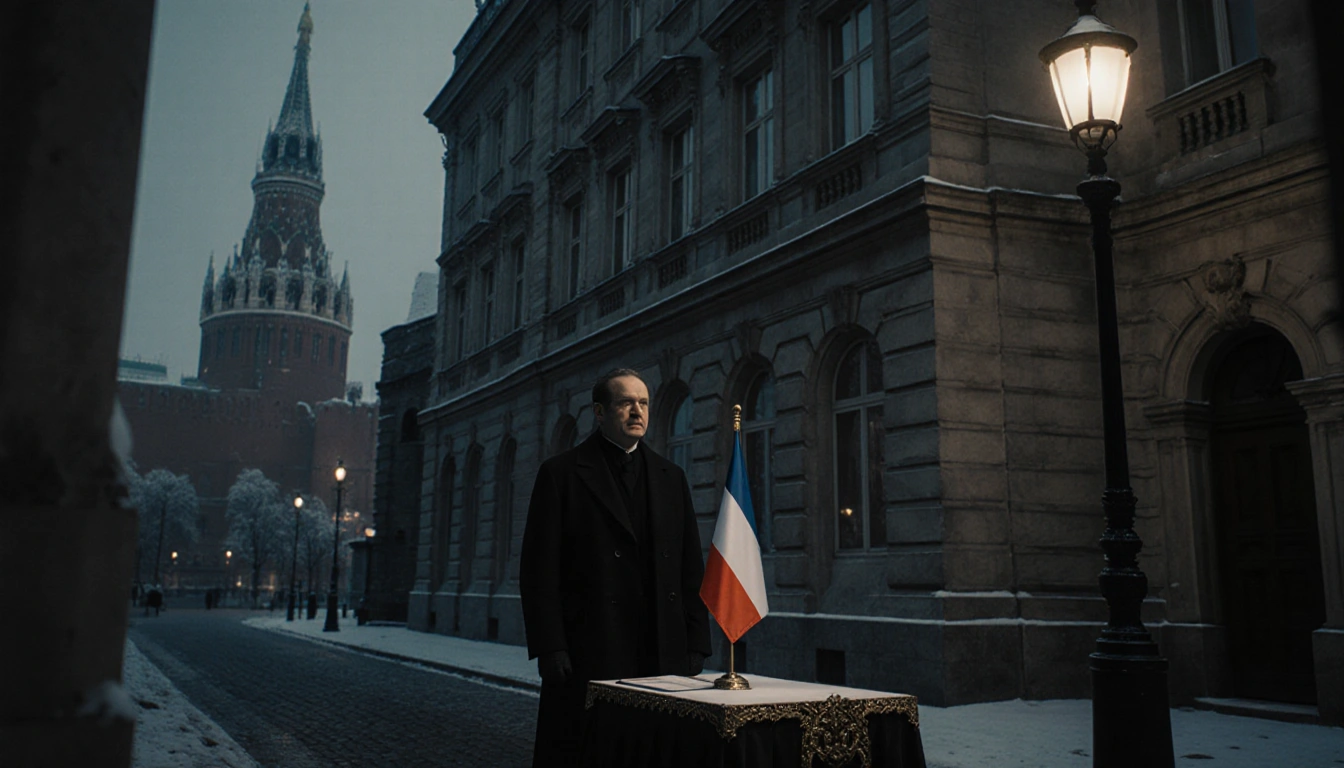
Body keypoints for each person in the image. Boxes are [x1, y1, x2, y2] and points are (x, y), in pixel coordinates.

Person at [520, 368, 711, 768]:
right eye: (625, 403)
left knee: (656, 751)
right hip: (589, 647)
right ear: (600, 412)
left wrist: (696, 639)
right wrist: (550, 645)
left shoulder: (670, 477)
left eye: (643, 403)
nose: (637, 411)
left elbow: (690, 567)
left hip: (659, 646)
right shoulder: (561, 474)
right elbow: (539, 570)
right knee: (589, 753)